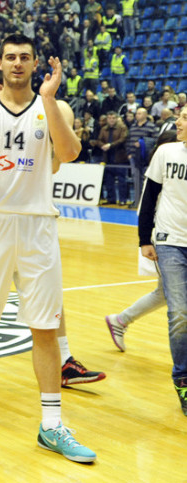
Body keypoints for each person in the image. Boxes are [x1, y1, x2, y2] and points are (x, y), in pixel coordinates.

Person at [0, 34, 96, 463]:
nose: (17, 64)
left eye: (24, 58)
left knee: (45, 326)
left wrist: (49, 99)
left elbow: (69, 152)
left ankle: (51, 425)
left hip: (36, 225)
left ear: (35, 65)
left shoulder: (55, 107)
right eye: (10, 57)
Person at [106, 129, 178, 351]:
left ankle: (120, 320)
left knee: (164, 293)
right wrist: (145, 239)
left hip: (177, 237)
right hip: (166, 238)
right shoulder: (163, 166)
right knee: (169, 295)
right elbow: (145, 207)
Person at [136, 108, 187, 416]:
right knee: (180, 311)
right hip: (170, 242)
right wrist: (144, 239)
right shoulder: (166, 152)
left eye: (184, 119)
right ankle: (183, 378)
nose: (178, 123)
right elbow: (149, 196)